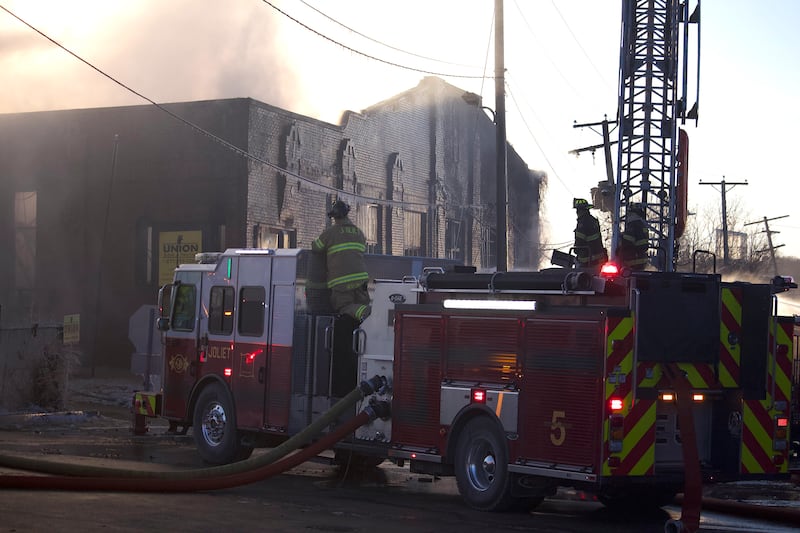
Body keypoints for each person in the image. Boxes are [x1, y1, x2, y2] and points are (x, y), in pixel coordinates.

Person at [312, 199, 372, 323]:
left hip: (342, 281)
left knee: (345, 307)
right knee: (361, 307)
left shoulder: (331, 233)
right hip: (361, 279)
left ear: (334, 216)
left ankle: (368, 312)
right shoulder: (359, 233)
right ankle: (368, 318)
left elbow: (316, 247)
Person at [573, 198, 608, 268]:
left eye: (578, 210)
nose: (577, 212)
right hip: (599, 258)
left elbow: (579, 242)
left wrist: (576, 250)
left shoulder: (582, 223)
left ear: (582, 211)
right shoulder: (593, 220)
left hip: (587, 260)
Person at [616, 203, 649, 270]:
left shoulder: (633, 225)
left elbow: (627, 242)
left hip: (632, 261)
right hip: (641, 260)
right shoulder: (642, 225)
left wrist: (619, 248)